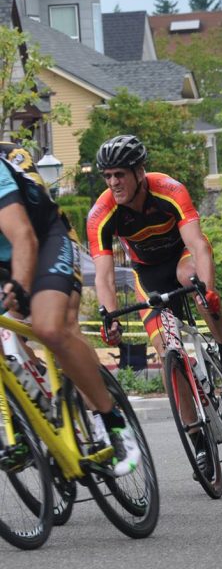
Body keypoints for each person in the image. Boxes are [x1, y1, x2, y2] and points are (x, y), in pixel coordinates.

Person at [87, 135, 222, 475]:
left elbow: (198, 244)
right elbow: (104, 276)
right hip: (148, 274)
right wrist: (109, 316)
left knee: (194, 282)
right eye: (108, 176)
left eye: (120, 175)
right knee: (166, 352)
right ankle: (198, 441)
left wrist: (210, 290)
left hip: (182, 258)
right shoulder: (102, 212)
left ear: (139, 172)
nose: (114, 182)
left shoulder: (168, 190)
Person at [0, 153, 140, 476]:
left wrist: (20, 286)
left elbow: (23, 236)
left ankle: (110, 419)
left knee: (52, 328)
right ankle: (26, 415)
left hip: (43, 238)